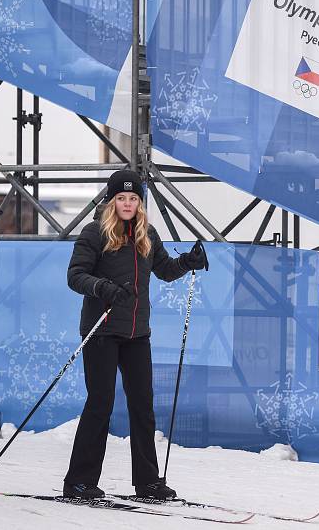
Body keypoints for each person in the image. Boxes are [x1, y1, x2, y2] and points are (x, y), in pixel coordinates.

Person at [63, 169, 208, 501]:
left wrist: (188, 261)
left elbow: (165, 271)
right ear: (111, 201)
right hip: (102, 329)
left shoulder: (148, 234)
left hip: (137, 333)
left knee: (143, 406)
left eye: (133, 198)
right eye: (121, 198)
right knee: (101, 404)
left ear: (140, 203)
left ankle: (148, 481)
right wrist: (104, 288)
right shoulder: (94, 233)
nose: (127, 203)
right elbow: (75, 276)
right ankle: (79, 482)